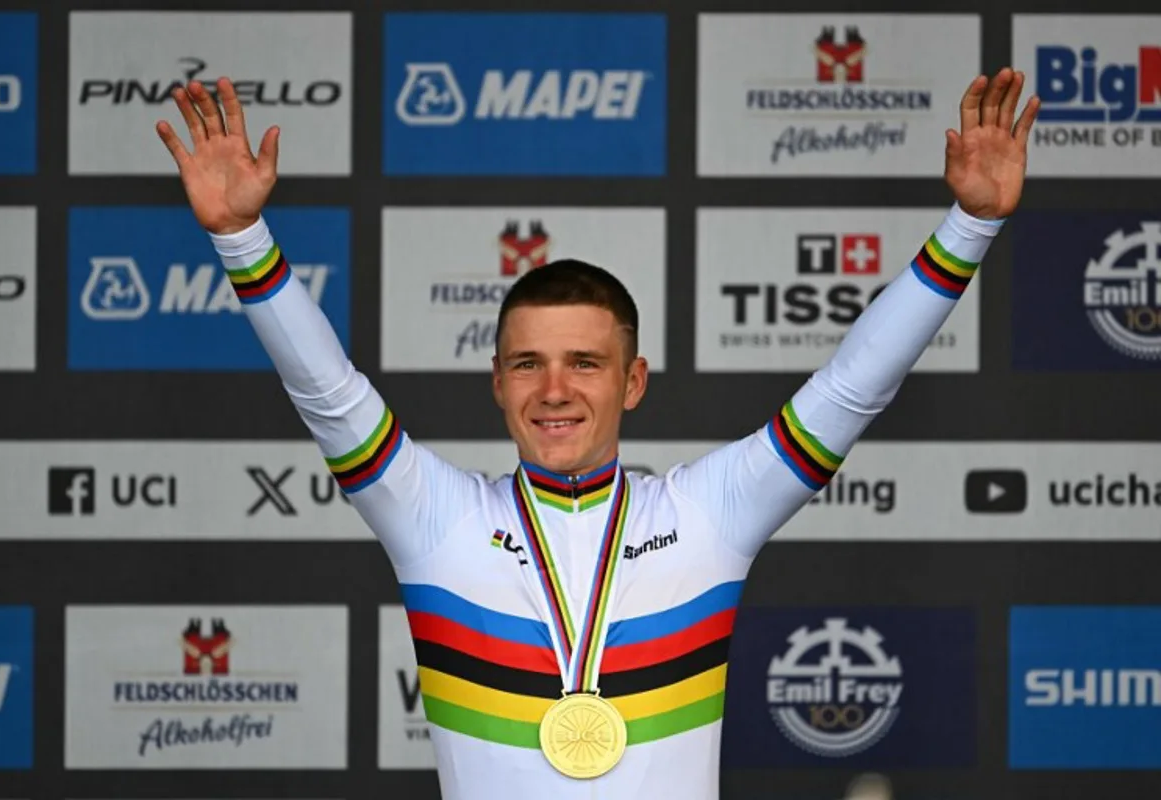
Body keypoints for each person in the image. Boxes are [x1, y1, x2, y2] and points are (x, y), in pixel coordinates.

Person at [156, 68, 1038, 800]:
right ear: (497, 384)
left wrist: (971, 225)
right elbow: (329, 395)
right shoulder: (434, 519)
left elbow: (850, 390)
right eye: (528, 364)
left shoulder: (709, 514)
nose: (554, 391)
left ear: (633, 381)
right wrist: (241, 237)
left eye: (584, 363)